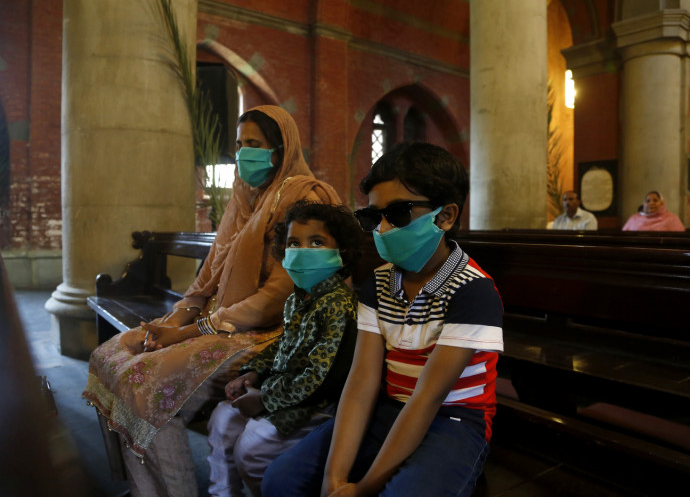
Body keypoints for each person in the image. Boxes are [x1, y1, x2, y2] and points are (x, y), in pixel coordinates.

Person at [82, 105, 341, 497]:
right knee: (113, 355)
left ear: (280, 147)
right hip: (219, 321)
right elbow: (207, 278)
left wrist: (188, 331)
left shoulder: (305, 198)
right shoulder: (244, 197)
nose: (242, 153)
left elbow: (274, 299)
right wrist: (172, 323)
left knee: (145, 383)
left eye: (254, 144)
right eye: (238, 144)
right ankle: (145, 488)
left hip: (265, 334)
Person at [262, 142, 504, 497]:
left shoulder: (473, 291)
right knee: (280, 481)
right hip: (386, 408)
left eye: (399, 213)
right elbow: (361, 384)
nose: (384, 229)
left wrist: (363, 488)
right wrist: (335, 477)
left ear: (446, 216)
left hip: (453, 420)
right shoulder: (380, 281)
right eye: (375, 217)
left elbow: (427, 399)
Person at [206, 200, 361, 497]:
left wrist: (265, 399)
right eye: (293, 243)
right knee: (222, 420)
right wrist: (253, 374)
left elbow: (322, 379)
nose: (302, 251)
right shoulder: (297, 299)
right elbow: (283, 347)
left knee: (252, 446)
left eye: (316, 242)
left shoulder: (339, 304)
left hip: (314, 406)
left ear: (341, 251)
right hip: (280, 392)